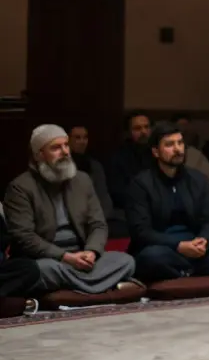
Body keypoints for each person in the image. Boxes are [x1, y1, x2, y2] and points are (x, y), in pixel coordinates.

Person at [4, 126, 138, 295]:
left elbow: (98, 224)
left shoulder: (82, 180)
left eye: (66, 145)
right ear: (39, 154)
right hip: (48, 259)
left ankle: (71, 288)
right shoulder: (20, 187)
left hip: (81, 256)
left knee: (126, 261)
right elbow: (24, 237)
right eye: (56, 148)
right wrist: (65, 257)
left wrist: (92, 251)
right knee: (37, 270)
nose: (65, 152)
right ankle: (98, 287)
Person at [125, 122, 209, 282]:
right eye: (169, 144)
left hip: (196, 248)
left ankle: (185, 273)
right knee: (151, 258)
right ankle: (199, 272)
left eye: (180, 143)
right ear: (155, 152)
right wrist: (179, 245)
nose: (177, 149)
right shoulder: (141, 184)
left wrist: (204, 241)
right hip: (164, 248)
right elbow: (142, 232)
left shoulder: (197, 179)